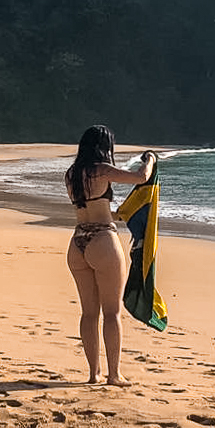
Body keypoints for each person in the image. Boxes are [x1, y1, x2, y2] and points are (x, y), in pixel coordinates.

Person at [64, 124, 157, 386]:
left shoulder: (72, 174)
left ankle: (93, 374)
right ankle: (113, 375)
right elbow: (141, 177)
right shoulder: (101, 170)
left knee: (88, 313)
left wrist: (121, 213)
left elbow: (93, 207)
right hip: (103, 240)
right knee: (112, 313)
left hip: (77, 243)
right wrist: (150, 158)